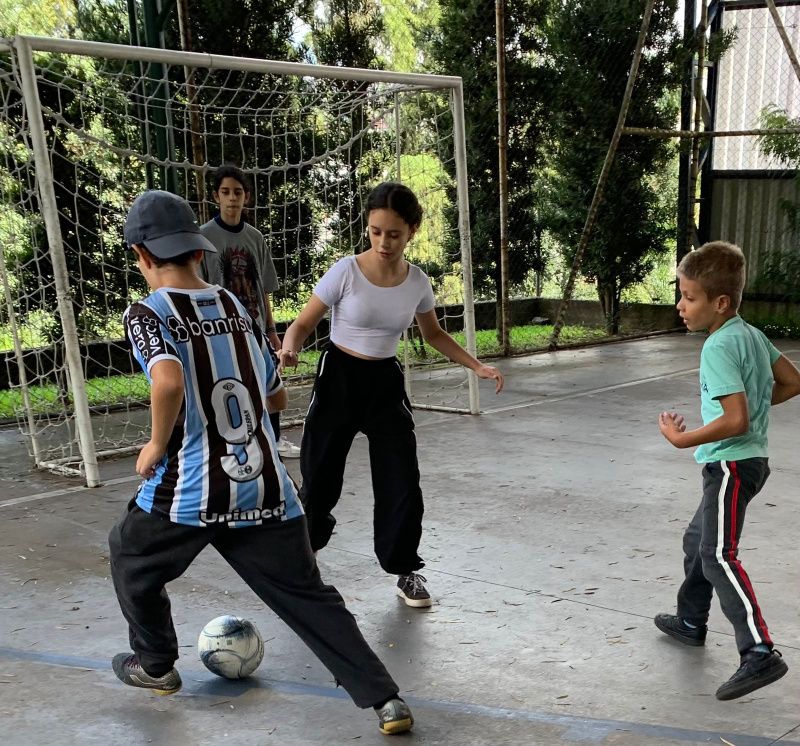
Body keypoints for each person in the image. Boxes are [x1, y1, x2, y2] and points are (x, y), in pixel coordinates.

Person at [108, 190, 414, 736]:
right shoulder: (234, 306)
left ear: (142, 255)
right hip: (267, 488)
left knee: (131, 557)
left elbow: (170, 379)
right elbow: (275, 399)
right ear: (200, 253)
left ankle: (155, 666)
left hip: (191, 493)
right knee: (308, 596)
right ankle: (385, 699)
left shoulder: (146, 314)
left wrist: (157, 444)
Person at [279, 182, 504, 608]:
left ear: (412, 231)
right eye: (376, 231)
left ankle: (405, 570)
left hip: (384, 382)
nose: (383, 242)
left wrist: (476, 365)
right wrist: (290, 346)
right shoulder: (345, 271)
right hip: (339, 378)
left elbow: (433, 334)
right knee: (321, 478)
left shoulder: (417, 281)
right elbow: (304, 323)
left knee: (401, 478)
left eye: (394, 234)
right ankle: (300, 559)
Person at [655, 240, 800, 701]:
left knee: (718, 553)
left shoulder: (719, 346)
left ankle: (759, 652)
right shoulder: (750, 333)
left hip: (731, 464)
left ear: (719, 302)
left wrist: (683, 439)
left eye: (689, 297)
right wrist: (756, 407)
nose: (680, 305)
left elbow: (735, 419)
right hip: (748, 460)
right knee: (698, 541)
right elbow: (793, 382)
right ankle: (692, 620)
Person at [201, 164, 301, 459]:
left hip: (254, 326)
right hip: (220, 328)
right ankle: (231, 442)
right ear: (216, 197)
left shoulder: (255, 238)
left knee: (268, 381)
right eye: (226, 192)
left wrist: (271, 331)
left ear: (247, 197)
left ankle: (275, 437)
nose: (232, 198)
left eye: (238, 192)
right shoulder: (204, 238)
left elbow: (264, 289)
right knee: (228, 385)